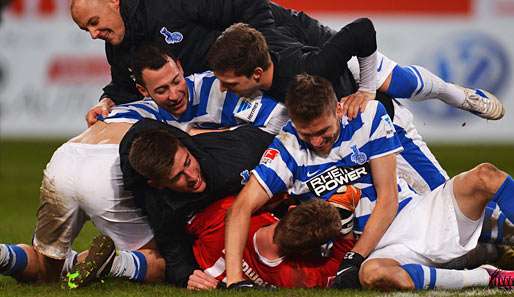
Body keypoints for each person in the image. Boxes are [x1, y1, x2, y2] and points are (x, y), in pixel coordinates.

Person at [223, 73, 514, 289]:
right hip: (381, 249)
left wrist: (353, 258)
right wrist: (235, 280)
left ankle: (491, 245)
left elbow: (388, 200)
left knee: (484, 176)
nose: (317, 141)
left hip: (416, 214)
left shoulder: (367, 116)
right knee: (373, 275)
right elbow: (241, 208)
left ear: (336, 108)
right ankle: (488, 275)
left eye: (323, 131)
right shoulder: (288, 147)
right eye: (307, 134)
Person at [69, 0, 379, 126]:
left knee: (383, 80)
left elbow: (248, 3)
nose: (94, 34)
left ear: (113, 1)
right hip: (246, 88)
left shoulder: (167, 4)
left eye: (94, 22)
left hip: (294, 44)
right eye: (86, 30)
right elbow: (125, 87)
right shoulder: (119, 47)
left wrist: (268, 53)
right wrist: (107, 102)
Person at [208, 23, 504, 121]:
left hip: (326, 48)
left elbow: (361, 29)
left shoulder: (248, 13)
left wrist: (366, 91)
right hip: (304, 64)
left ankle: (459, 96)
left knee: (397, 83)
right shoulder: (228, 33)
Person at [0, 120, 163, 285]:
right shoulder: (181, 106)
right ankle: (114, 263)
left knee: (46, 272)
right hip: (111, 161)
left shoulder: (116, 101)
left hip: (67, 155)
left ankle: (4, 256)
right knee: (162, 259)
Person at [118, 119, 274, 286]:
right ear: (158, 184)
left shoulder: (239, 155)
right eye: (177, 176)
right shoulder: (161, 203)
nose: (192, 177)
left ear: (186, 147)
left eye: (188, 162)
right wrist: (189, 276)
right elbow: (174, 255)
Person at [100, 45, 288, 136]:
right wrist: (102, 104)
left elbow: (279, 121)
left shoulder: (219, 89)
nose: (174, 95)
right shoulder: (143, 111)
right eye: (161, 90)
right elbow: (102, 128)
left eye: (176, 81)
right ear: (144, 90)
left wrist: (203, 136)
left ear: (181, 68)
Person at [187, 197, 355, 289]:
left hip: (192, 266)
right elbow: (340, 264)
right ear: (307, 251)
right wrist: (345, 230)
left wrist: (185, 275)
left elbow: (177, 232)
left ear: (290, 209)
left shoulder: (228, 211)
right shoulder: (300, 277)